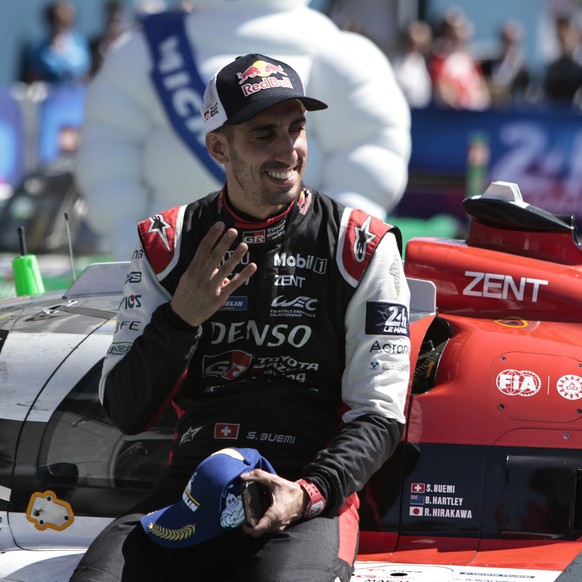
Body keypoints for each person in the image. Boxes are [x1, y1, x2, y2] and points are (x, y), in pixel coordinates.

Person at [69, 53, 410, 581]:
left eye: (297, 129)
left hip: (310, 487)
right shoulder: (169, 242)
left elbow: (381, 414)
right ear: (218, 147)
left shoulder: (360, 245)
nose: (288, 150)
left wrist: (306, 494)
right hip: (194, 480)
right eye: (263, 134)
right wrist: (180, 320)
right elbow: (126, 411)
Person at [75, 0, 411, 260]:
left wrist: (331, 244)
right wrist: (131, 240)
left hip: (300, 265)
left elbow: (367, 158)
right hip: (174, 258)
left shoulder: (336, 52)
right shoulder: (145, 50)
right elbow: (111, 148)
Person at [428, 8, 491, 110]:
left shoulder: (470, 61)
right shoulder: (439, 60)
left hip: (473, 116)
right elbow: (442, 93)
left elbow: (481, 90)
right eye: (453, 30)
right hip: (452, 117)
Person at [21, 1, 91, 84]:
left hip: (76, 95)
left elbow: (86, 74)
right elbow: (32, 77)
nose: (58, 24)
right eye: (55, 19)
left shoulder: (81, 45)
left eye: (64, 21)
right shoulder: (37, 48)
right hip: (48, 95)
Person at [480, 20, 531, 106]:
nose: (508, 45)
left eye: (512, 42)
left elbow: (526, 96)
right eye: (505, 40)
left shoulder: (524, 71)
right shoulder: (486, 65)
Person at [544, 15, 582, 107]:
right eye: (561, 38)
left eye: (568, 36)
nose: (565, 41)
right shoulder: (553, 67)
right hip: (558, 115)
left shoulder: (579, 65)